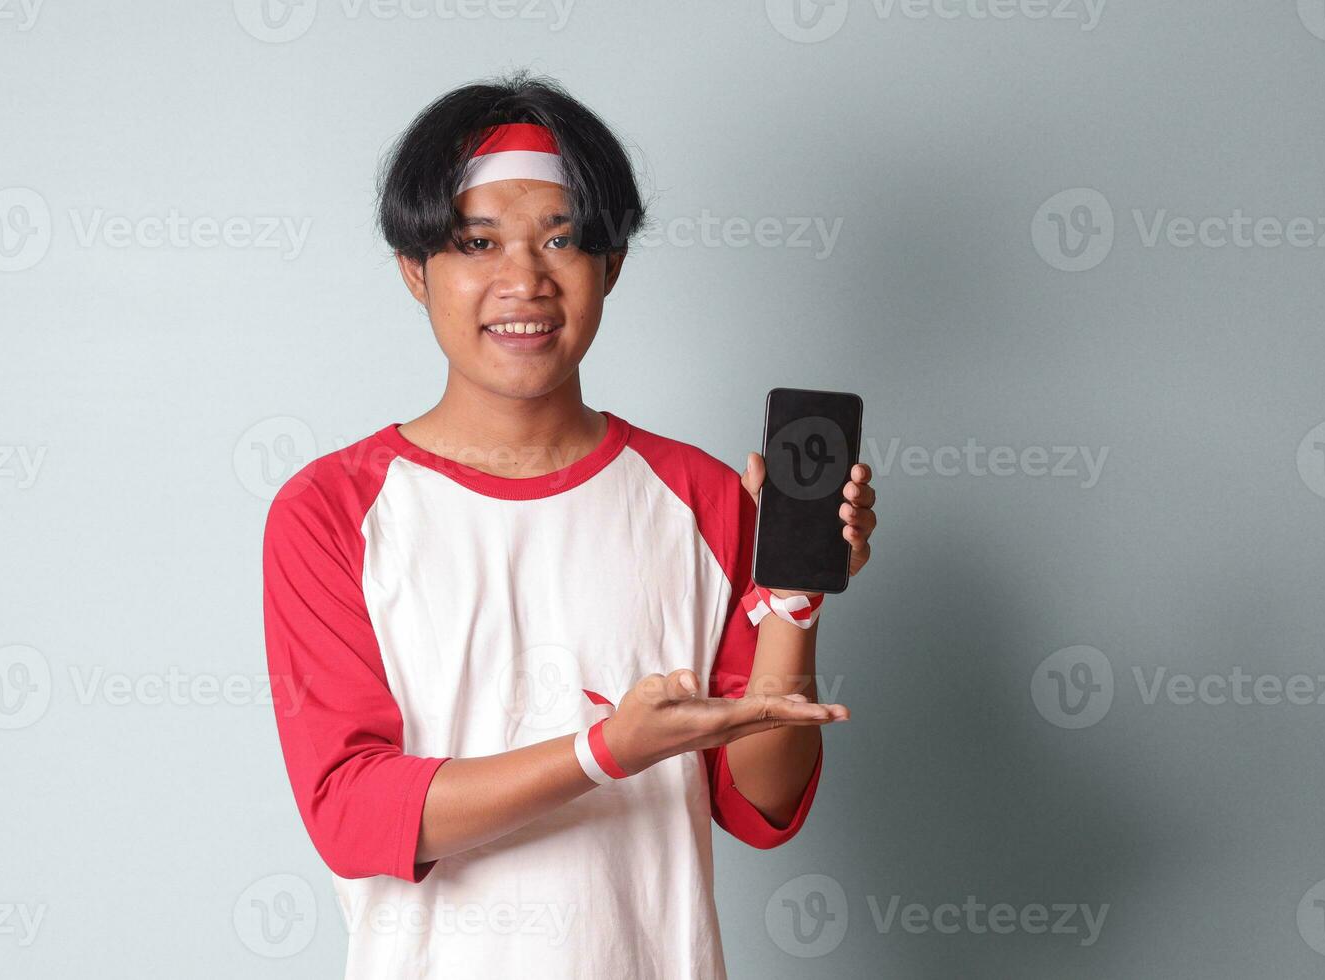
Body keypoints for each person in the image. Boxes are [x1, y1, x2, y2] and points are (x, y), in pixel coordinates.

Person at [261, 69, 876, 979]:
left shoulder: (702, 497)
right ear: (414, 270)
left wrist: (793, 601)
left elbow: (763, 805)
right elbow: (352, 815)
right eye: (477, 243)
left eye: (561, 241)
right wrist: (604, 752)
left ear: (611, 267)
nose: (524, 281)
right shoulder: (332, 510)